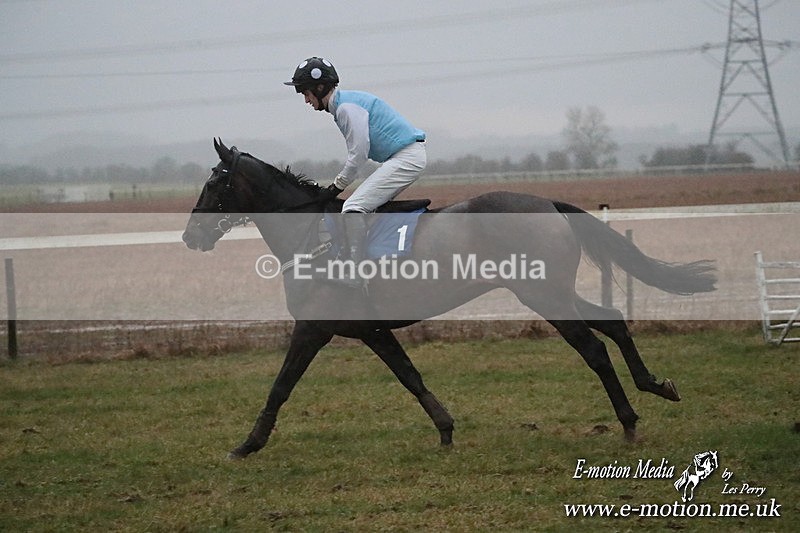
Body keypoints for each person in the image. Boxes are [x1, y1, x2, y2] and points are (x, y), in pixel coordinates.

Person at [284, 57, 427, 288]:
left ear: (320, 88)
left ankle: (355, 273)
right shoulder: (343, 105)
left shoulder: (346, 108)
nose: (306, 100)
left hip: (406, 158)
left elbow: (358, 154)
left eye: (306, 93)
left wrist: (336, 187)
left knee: (352, 208)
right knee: (368, 207)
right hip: (404, 156)